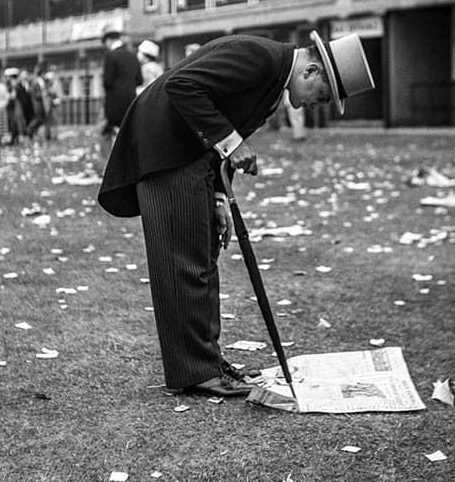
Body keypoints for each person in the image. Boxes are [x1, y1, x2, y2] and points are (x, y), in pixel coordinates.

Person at [98, 32, 375, 398]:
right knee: (186, 262)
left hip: (186, 156)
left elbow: (214, 121)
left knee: (201, 256)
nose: (315, 105)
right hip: (166, 154)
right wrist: (233, 142)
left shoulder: (273, 79)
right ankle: (197, 371)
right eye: (322, 95)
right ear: (311, 70)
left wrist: (217, 197)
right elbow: (183, 87)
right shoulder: (258, 57)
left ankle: (204, 365)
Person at [100, 25, 142, 152]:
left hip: (114, 105)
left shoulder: (110, 56)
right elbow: (139, 80)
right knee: (127, 136)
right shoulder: (133, 56)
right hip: (131, 102)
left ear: (108, 40)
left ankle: (108, 166)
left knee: (106, 135)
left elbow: (107, 82)